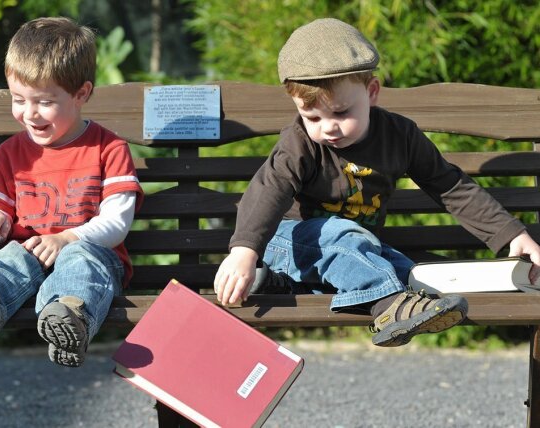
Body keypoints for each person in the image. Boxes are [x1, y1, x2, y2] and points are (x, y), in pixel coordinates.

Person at [213, 18, 540, 347]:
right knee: (345, 237)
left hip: (349, 252)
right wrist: (245, 252)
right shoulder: (300, 143)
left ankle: (276, 286)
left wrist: (511, 234)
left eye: (340, 113)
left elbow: (450, 186)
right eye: (312, 117)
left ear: (371, 92)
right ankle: (390, 307)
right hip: (285, 241)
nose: (328, 128)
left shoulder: (400, 136)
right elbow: (268, 189)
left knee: (403, 268)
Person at [0, 17, 143, 367]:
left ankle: (69, 317)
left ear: (82, 94)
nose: (29, 114)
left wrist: (67, 239)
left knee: (80, 262)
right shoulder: (10, 154)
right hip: (28, 252)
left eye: (44, 102)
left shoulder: (108, 148)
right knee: (9, 261)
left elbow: (116, 223)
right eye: (18, 99)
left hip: (90, 255)